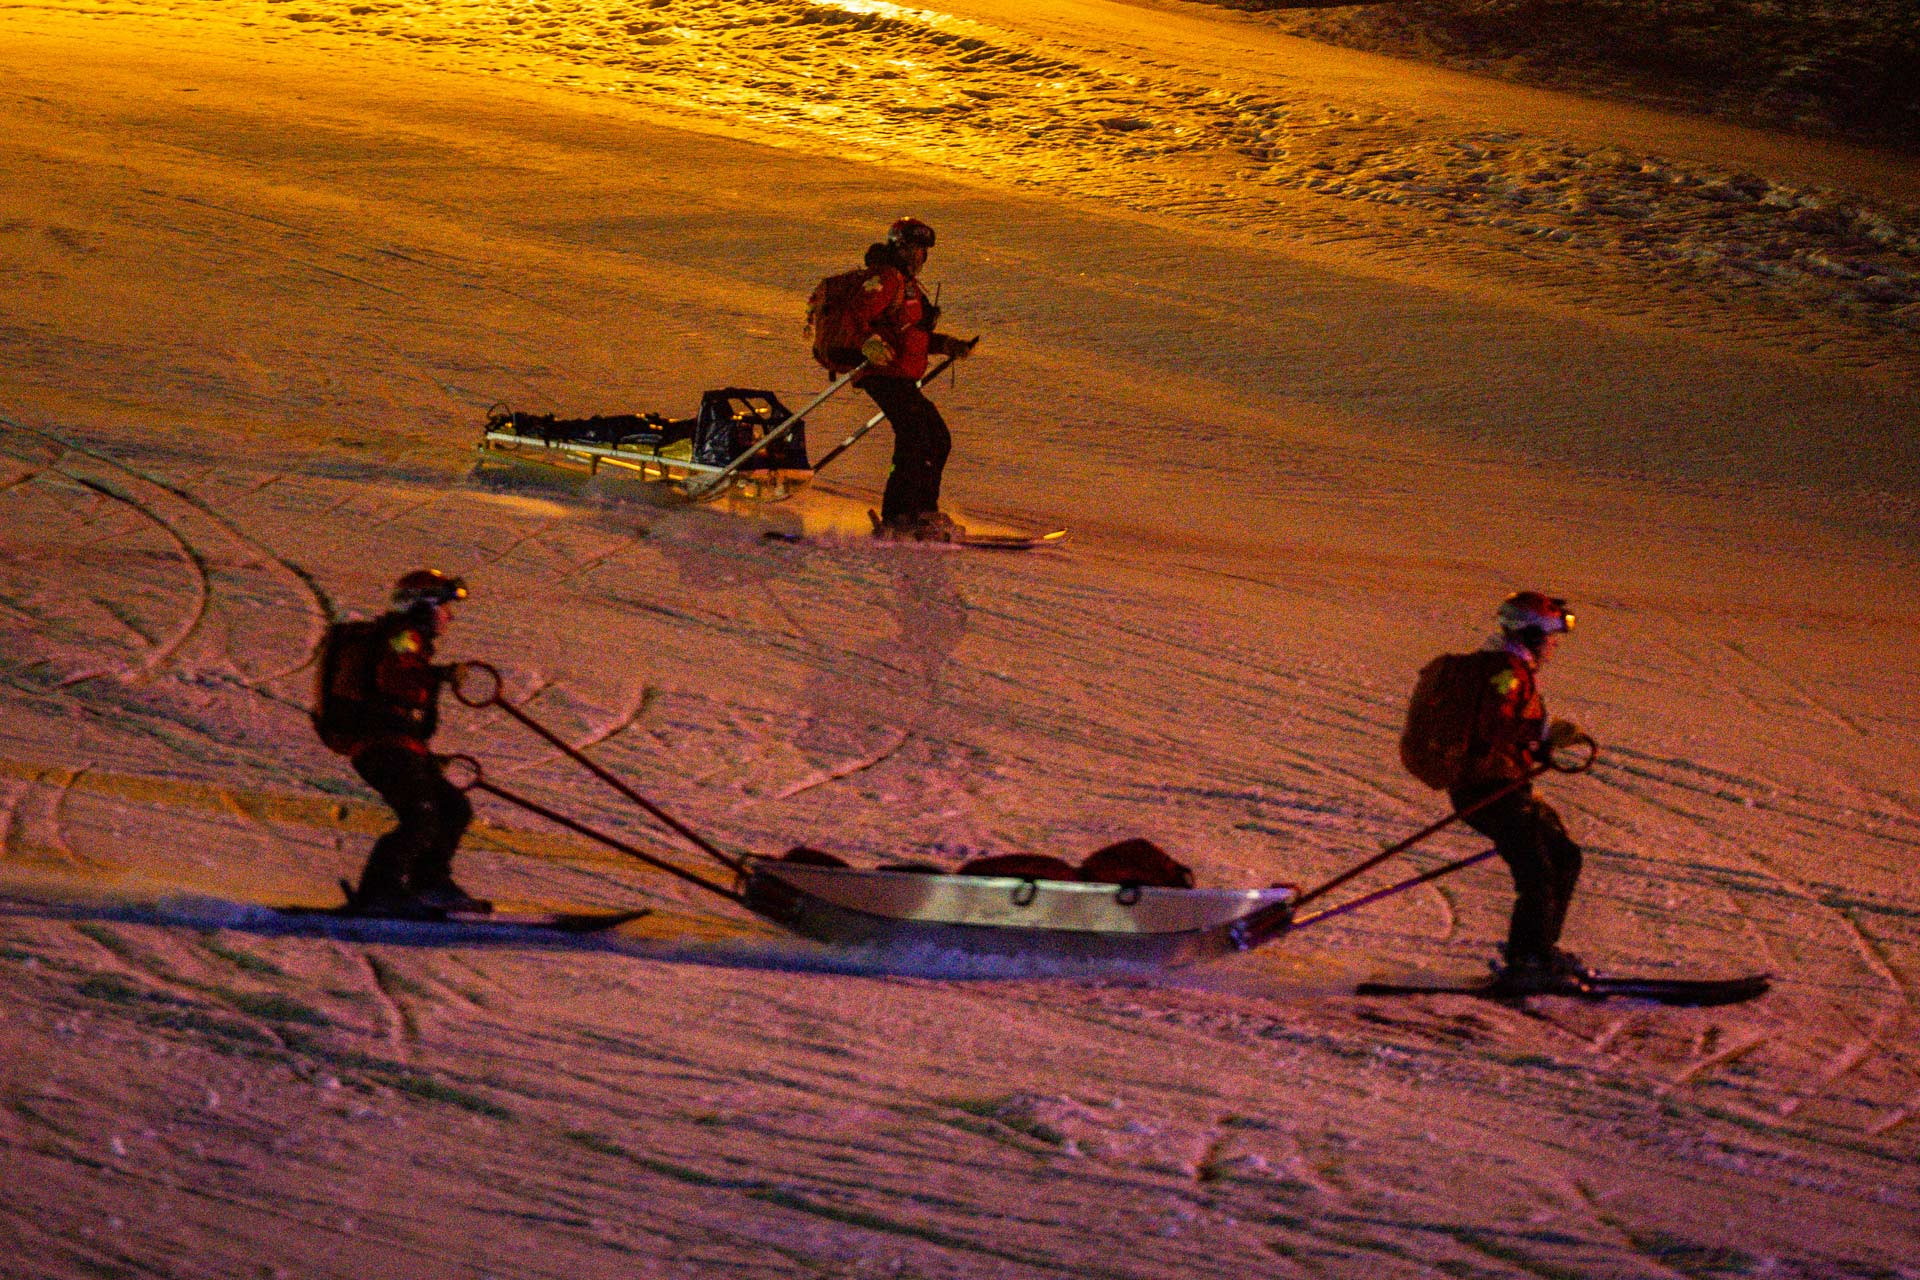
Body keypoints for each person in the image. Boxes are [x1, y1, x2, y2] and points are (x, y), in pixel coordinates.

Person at [311, 569, 489, 918]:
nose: (449, 617)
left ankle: (429, 882)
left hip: (396, 744)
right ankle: (381, 892)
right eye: (444, 607)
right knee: (421, 816)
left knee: (452, 808)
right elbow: (397, 677)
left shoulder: (404, 638)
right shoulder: (403, 636)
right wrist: (440, 676)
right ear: (424, 607)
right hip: (382, 746)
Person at [1451, 591, 1588, 992]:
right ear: (1530, 634)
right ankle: (1528, 960)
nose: (1554, 645)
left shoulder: (1511, 669)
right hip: (1487, 789)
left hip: (1504, 784)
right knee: (1538, 871)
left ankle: (1538, 951)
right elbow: (1492, 725)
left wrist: (1541, 745)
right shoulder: (1504, 672)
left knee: (1563, 857)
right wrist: (1543, 735)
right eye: (1550, 636)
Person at [848, 216, 978, 540]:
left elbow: (912, 336)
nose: (918, 256)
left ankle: (922, 510)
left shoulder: (908, 286)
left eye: (922, 250)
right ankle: (899, 515)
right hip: (881, 371)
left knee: (937, 437)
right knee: (916, 435)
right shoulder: (885, 279)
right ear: (898, 248)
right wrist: (867, 343)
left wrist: (947, 345)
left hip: (899, 374)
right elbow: (856, 316)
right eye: (912, 249)